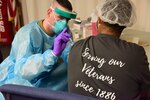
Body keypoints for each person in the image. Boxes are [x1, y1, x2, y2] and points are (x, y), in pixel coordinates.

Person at [68, 0, 150, 100]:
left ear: (100, 20)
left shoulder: (77, 46)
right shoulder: (136, 54)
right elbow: (146, 91)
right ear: (126, 22)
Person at [0, 0, 77, 92]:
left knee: (68, 70)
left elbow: (70, 54)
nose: (64, 23)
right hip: (21, 77)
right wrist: (53, 54)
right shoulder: (27, 34)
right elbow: (22, 70)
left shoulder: (64, 30)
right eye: (60, 17)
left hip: (45, 71)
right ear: (49, 13)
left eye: (67, 20)